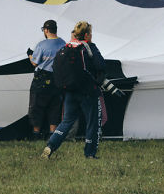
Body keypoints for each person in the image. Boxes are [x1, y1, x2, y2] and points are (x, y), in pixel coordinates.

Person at [41, 20, 105, 160]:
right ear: (86, 35)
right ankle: (90, 153)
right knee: (92, 122)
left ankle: (50, 146)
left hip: (70, 91)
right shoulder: (88, 47)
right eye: (90, 33)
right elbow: (100, 65)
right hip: (88, 91)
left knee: (66, 121)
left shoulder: (68, 47)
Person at [27, 20, 65, 140]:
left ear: (46, 30)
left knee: (36, 106)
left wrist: (29, 54)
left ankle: (36, 133)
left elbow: (34, 62)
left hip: (41, 79)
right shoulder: (63, 43)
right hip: (57, 79)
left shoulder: (42, 45)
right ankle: (52, 134)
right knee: (55, 107)